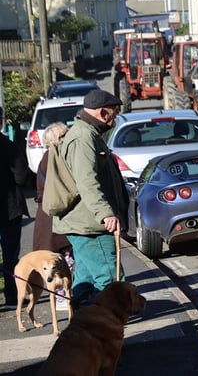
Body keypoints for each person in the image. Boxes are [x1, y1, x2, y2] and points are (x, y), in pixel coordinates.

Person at [52, 90, 129, 310]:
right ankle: (105, 333)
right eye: (113, 113)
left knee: (85, 281)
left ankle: (79, 330)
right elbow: (87, 181)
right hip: (90, 226)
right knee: (110, 279)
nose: (114, 118)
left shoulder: (89, 134)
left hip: (85, 224)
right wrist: (105, 213)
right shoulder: (83, 137)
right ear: (103, 112)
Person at [0, 106, 29, 310]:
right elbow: (21, 177)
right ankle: (12, 297)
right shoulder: (9, 147)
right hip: (9, 208)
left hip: (9, 209)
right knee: (10, 255)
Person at [33, 122, 72, 254]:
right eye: (62, 136)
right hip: (52, 218)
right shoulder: (52, 158)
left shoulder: (50, 157)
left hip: (49, 218)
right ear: (53, 140)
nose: (67, 137)